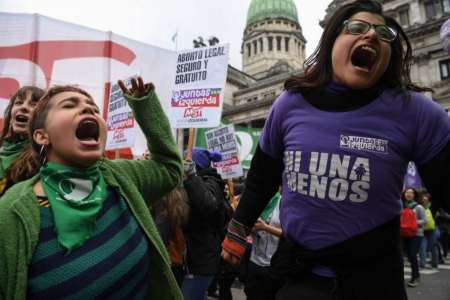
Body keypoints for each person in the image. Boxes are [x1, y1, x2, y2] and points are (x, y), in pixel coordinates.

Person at [221, 1, 450, 299]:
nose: (370, 36)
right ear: (331, 41)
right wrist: (235, 235)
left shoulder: (416, 112)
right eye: (356, 28)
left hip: (374, 281)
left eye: (384, 33)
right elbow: (261, 180)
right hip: (298, 275)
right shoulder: (290, 102)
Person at [0, 77, 183, 299]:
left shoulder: (120, 176)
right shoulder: (11, 212)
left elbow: (169, 168)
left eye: (93, 108)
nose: (87, 107)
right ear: (41, 136)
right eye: (69, 105)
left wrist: (145, 107)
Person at [182, 148, 232, 300]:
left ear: (195, 165)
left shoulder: (212, 183)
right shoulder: (192, 182)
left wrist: (190, 176)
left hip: (201, 261)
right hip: (191, 259)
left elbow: (206, 205)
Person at [0, 86, 44, 195]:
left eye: (34, 105)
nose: (23, 107)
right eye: (19, 102)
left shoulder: (43, 157)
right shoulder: (3, 148)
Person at [244, 191, 284, 300]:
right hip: (255, 261)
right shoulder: (259, 202)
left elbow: (289, 234)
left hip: (273, 264)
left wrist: (265, 227)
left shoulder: (284, 203)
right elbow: (247, 229)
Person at [151, 185, 190, 287]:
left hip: (167, 262)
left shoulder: (162, 208)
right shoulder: (180, 203)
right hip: (177, 260)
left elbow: (160, 237)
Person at [402, 188, 427, 287]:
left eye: (411, 193)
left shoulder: (419, 207)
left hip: (417, 234)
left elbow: (424, 221)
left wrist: (412, 223)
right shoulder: (401, 206)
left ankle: (415, 277)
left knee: (412, 255)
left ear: (414, 195)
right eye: (407, 192)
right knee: (407, 256)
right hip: (404, 234)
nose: (408, 194)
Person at [418, 192, 438, 269]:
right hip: (427, 228)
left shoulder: (420, 206)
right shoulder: (431, 206)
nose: (424, 199)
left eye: (425, 197)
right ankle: (429, 264)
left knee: (429, 246)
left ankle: (430, 263)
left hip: (428, 228)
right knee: (427, 246)